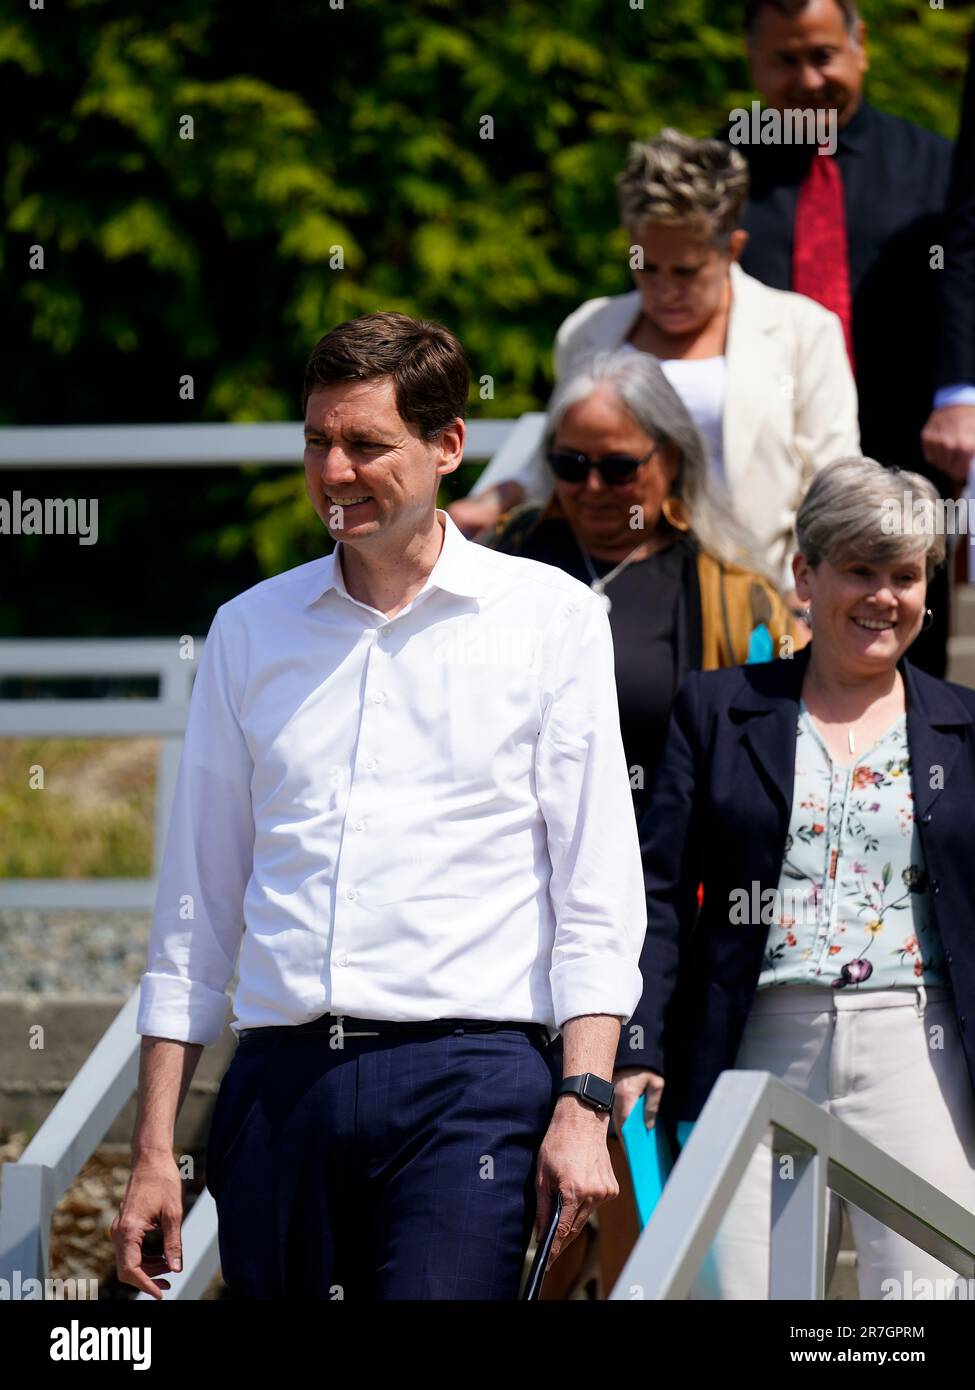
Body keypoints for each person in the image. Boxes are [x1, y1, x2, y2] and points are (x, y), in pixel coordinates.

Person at [111, 312, 647, 1301]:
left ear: (448, 446)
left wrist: (582, 1101)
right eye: (318, 441)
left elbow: (597, 891)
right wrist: (153, 1149)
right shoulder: (247, 631)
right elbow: (195, 912)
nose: (335, 471)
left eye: (365, 444)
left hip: (471, 1085)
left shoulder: (554, 620)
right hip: (281, 1090)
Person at [620, 455, 975, 1298]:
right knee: (745, 1294)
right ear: (804, 575)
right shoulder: (714, 708)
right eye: (857, 570)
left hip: (916, 1050)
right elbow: (658, 894)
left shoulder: (965, 726)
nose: (882, 597)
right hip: (753, 1045)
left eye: (903, 574)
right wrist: (637, 1043)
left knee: (919, 1306)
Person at [483, 348, 797, 1294]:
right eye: (569, 463)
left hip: (668, 920)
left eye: (617, 466)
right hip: (514, 909)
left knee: (649, 1209)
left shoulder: (740, 598)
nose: (589, 486)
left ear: (670, 463)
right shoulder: (498, 575)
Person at [450, 129, 859, 598]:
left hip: (756, 595)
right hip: (603, 583)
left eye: (686, 271)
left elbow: (833, 480)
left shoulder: (804, 331)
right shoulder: (589, 329)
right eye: (646, 267)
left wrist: (802, 593)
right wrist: (495, 499)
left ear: (732, 249)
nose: (664, 290)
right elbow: (560, 458)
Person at [738, 0, 967, 672]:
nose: (807, 80)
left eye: (821, 56)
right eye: (784, 60)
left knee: (910, 682)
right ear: (752, 61)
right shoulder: (720, 175)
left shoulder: (937, 170)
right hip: (760, 490)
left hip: (907, 475)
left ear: (859, 45)